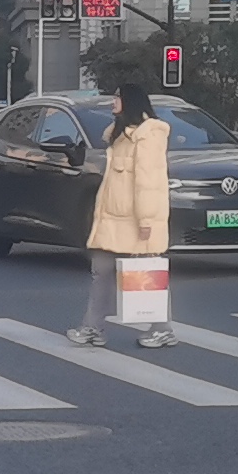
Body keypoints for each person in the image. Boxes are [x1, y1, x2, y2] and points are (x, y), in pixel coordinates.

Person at [74, 84, 174, 350]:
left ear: (131, 101)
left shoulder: (149, 135)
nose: (113, 101)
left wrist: (146, 221)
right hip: (112, 219)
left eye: (118, 97)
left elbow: (148, 182)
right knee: (101, 271)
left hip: (136, 220)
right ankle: (93, 328)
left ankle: (162, 329)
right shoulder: (120, 135)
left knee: (147, 275)